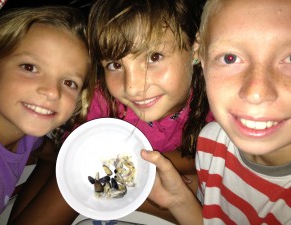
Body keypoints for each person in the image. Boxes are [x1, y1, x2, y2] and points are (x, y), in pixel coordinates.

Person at [141, 0, 291, 224]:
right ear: (200, 56)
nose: (256, 93)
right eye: (229, 58)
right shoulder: (212, 141)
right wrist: (179, 202)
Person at [82, 0, 212, 222]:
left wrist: (142, 167)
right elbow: (82, 164)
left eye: (154, 57)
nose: (132, 87)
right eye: (115, 64)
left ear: (195, 50)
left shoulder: (214, 99)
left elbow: (209, 155)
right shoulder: (104, 103)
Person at [0, 6, 90, 223]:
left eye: (69, 82)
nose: (53, 92)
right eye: (30, 67)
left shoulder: (28, 134)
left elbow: (48, 152)